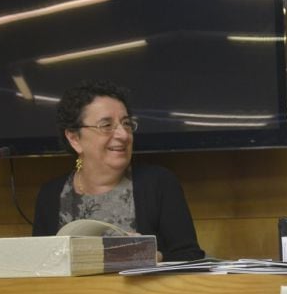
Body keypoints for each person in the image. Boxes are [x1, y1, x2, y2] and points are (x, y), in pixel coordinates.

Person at [32, 81, 205, 261]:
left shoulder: (158, 183)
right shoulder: (50, 195)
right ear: (75, 138)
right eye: (106, 125)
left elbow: (191, 257)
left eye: (126, 123)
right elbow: (39, 266)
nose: (123, 135)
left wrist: (153, 256)